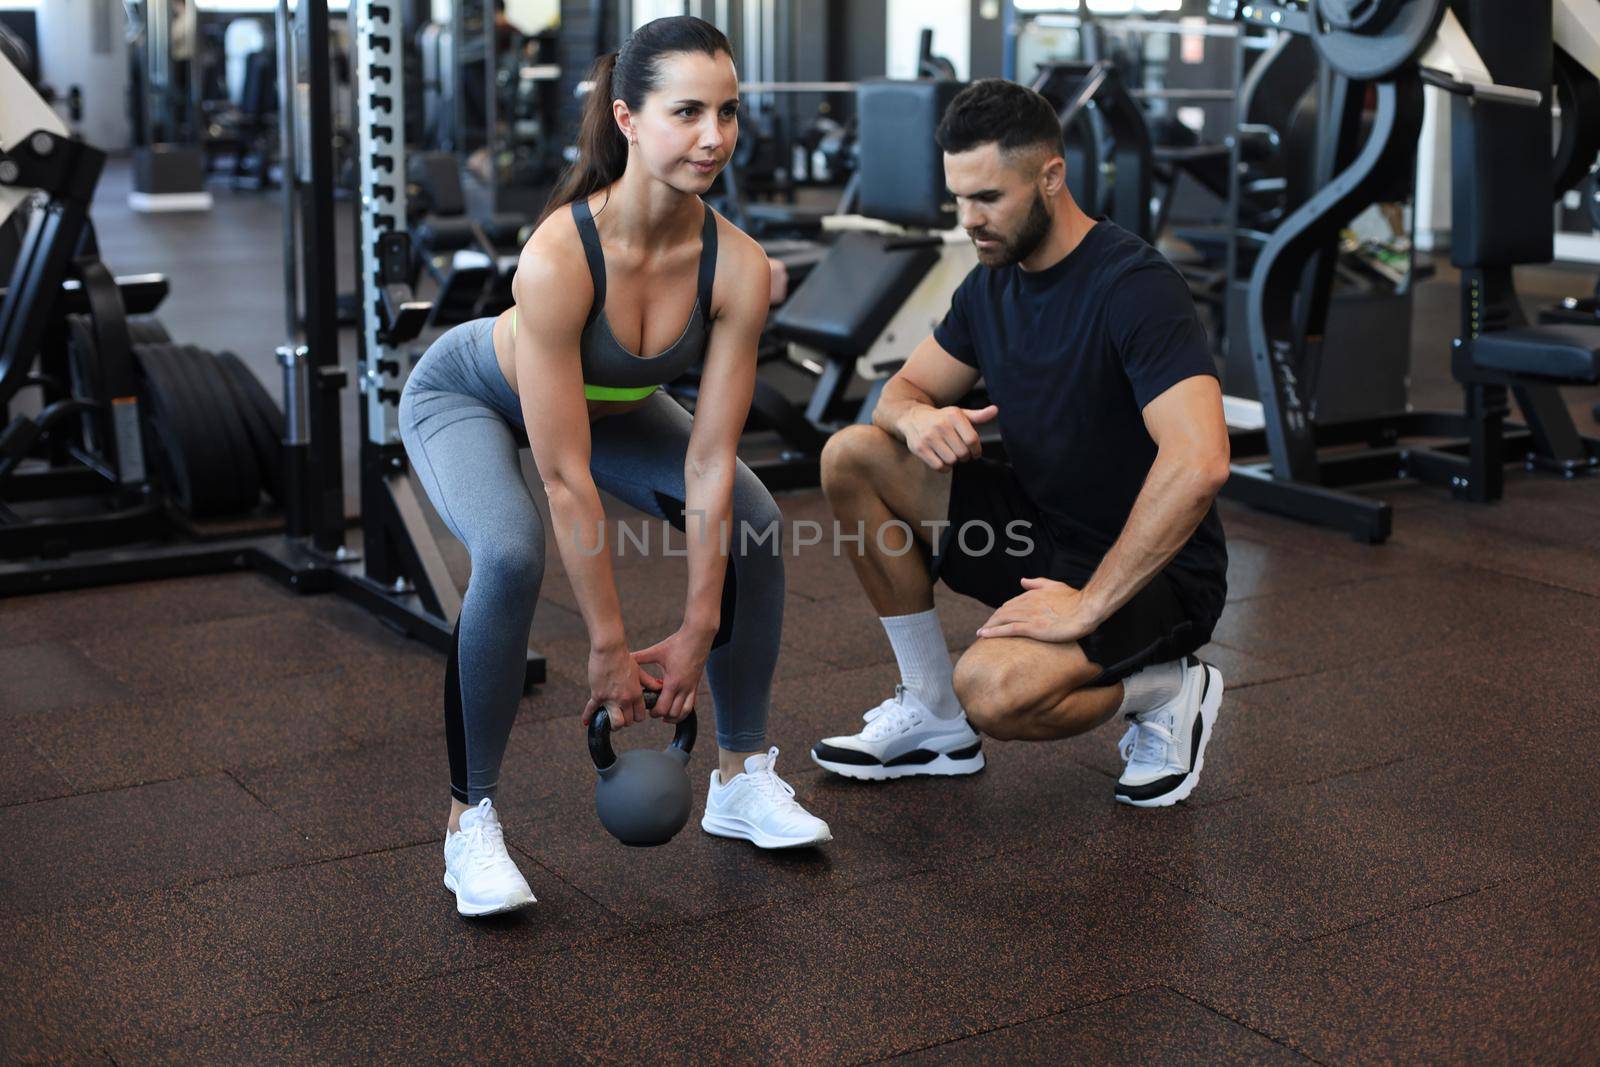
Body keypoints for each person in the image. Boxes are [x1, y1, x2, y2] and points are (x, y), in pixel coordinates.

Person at [399, 16, 831, 919]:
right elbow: (566, 480)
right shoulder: (562, 254)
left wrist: (697, 624)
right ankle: (467, 820)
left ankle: (742, 775)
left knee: (752, 518)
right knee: (513, 553)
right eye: (687, 113)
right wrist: (606, 643)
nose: (714, 136)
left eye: (728, 112)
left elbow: (713, 457)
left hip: (618, 410)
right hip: (471, 395)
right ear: (628, 119)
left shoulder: (737, 266)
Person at [810, 79, 1231, 808]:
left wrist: (1089, 604)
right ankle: (933, 713)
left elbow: (1200, 461)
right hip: (1045, 534)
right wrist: (916, 420)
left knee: (996, 693)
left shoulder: (1134, 286)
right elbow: (897, 393)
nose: (968, 221)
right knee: (853, 454)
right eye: (958, 199)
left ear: (1051, 177)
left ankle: (1169, 686)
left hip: (1158, 572)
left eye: (988, 198)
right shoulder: (989, 287)